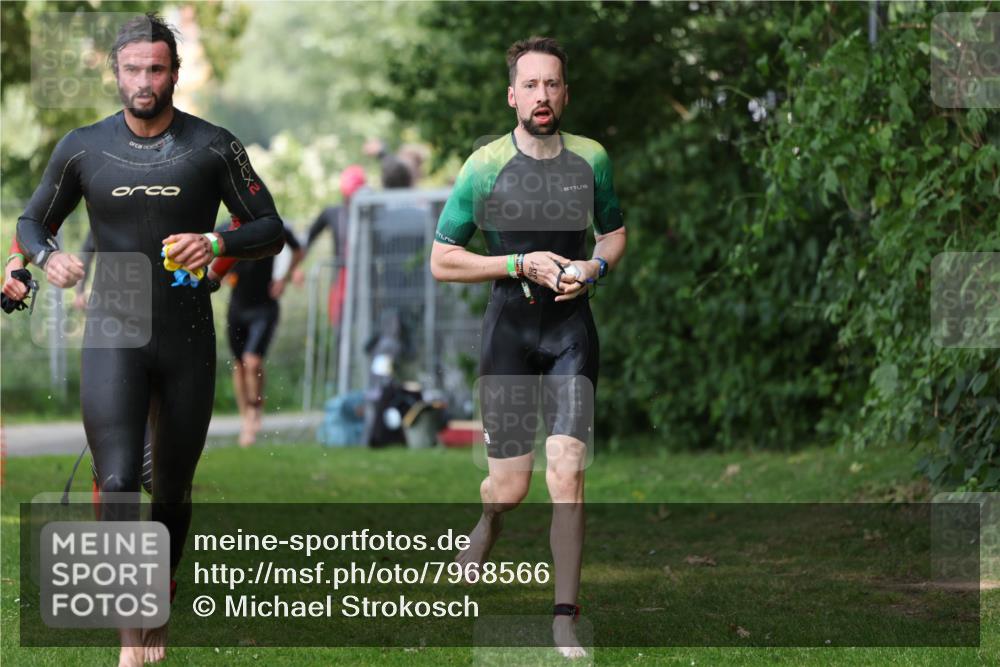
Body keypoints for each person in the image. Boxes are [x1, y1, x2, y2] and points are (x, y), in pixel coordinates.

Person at [14, 13, 284, 666]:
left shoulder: (212, 146)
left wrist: (215, 241)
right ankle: (130, 640)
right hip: (115, 323)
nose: (144, 81)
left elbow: (269, 227)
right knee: (115, 479)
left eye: (156, 69)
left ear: (174, 73)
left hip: (186, 330)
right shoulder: (83, 148)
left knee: (170, 489)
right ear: (117, 72)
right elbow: (32, 220)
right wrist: (47, 257)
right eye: (133, 69)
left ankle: (159, 589)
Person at [429, 36, 627, 659]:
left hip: (571, 333)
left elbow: (615, 234)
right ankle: (487, 522)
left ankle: (565, 618)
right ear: (513, 96)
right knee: (509, 490)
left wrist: (594, 266)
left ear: (565, 94)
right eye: (531, 85)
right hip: (509, 335)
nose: (543, 95)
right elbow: (442, 259)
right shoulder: (485, 165)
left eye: (553, 84)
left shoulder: (591, 159)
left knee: (567, 472)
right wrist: (518, 263)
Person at [218, 221, 303, 446]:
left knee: (252, 361)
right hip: (237, 307)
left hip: (264, 307)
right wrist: (219, 273)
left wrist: (285, 278)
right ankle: (246, 416)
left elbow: (298, 250)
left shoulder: (270, 224)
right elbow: (209, 249)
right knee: (240, 364)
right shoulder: (227, 227)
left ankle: (254, 411)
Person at [293, 165, 367, 326]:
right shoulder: (333, 213)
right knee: (339, 327)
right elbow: (308, 237)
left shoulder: (371, 214)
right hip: (340, 279)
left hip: (366, 280)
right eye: (348, 197)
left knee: (368, 327)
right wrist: (296, 265)